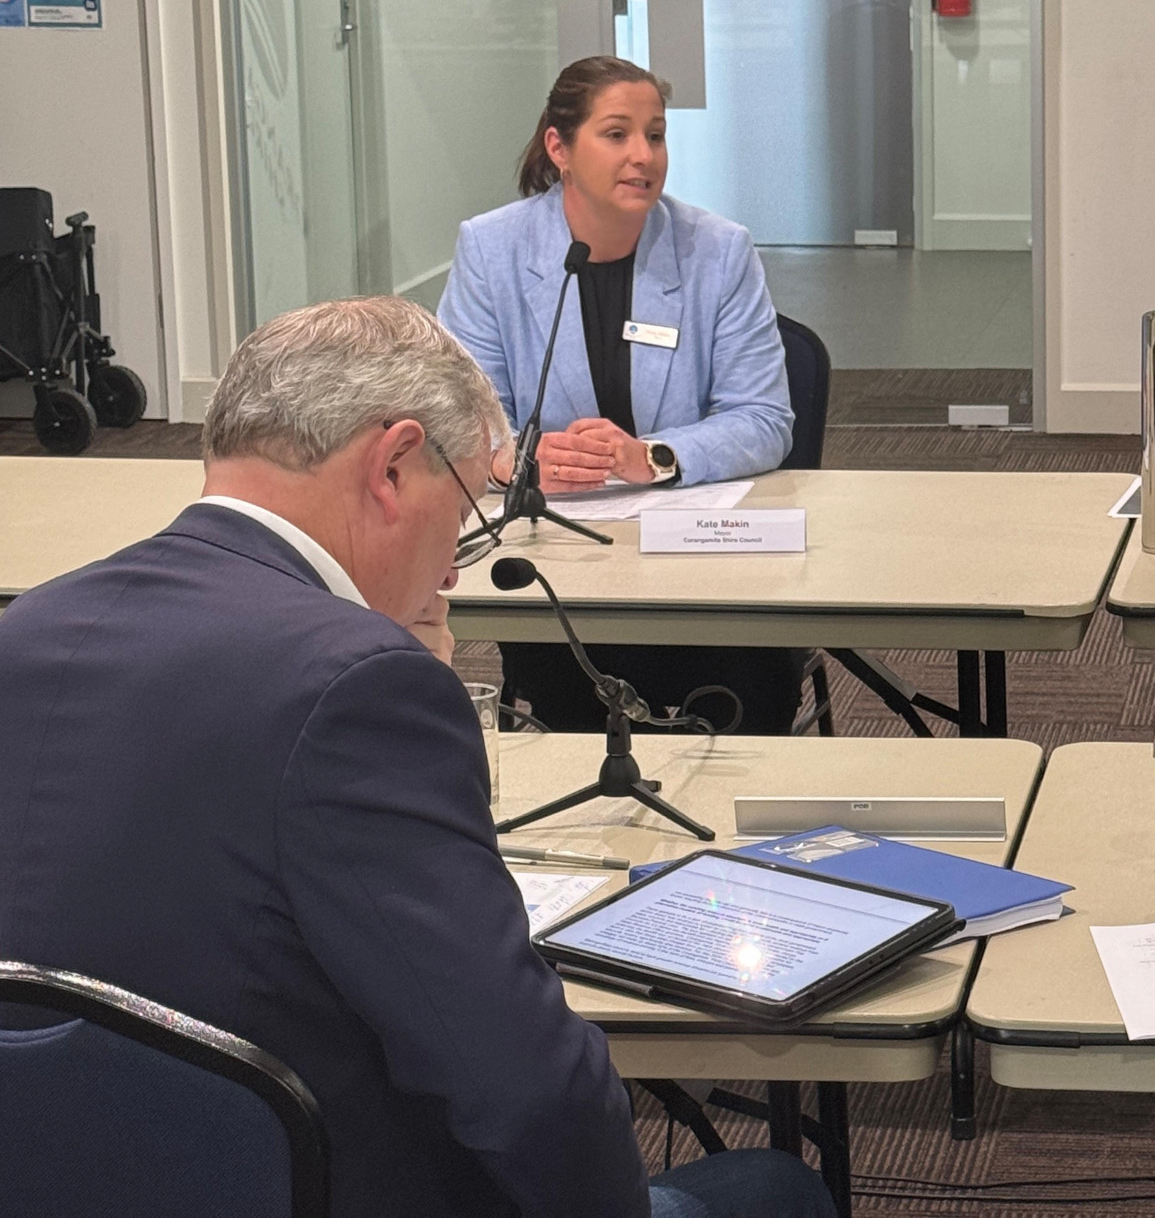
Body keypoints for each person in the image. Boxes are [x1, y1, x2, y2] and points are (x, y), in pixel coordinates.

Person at [0, 298, 833, 1218]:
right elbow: (528, 1089)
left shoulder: (26, 628)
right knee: (774, 1188)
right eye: (472, 506)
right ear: (394, 465)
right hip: (312, 1182)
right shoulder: (357, 686)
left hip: (57, 1174)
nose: (455, 569)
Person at [439, 55, 803, 735]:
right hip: (563, 567)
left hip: (702, 572)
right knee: (562, 693)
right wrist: (512, 461)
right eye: (617, 134)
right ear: (559, 148)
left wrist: (655, 456)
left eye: (656, 135)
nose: (644, 156)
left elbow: (765, 418)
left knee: (754, 689)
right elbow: (456, 417)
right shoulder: (491, 250)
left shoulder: (718, 251)